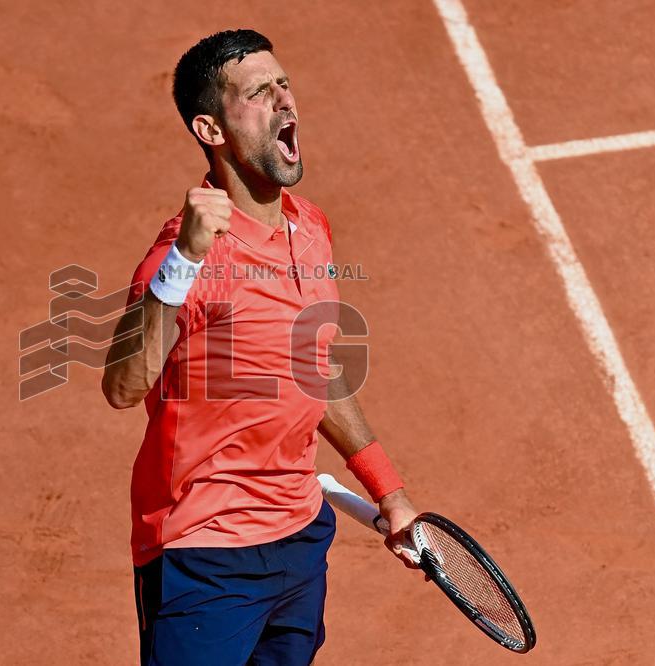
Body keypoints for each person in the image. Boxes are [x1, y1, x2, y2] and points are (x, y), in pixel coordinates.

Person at [101, 29, 419, 665]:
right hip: (205, 551)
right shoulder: (180, 260)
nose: (284, 102)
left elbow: (312, 367)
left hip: (301, 538)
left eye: (285, 85)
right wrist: (186, 259)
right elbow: (122, 386)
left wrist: (387, 488)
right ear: (211, 131)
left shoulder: (311, 227)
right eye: (257, 93)